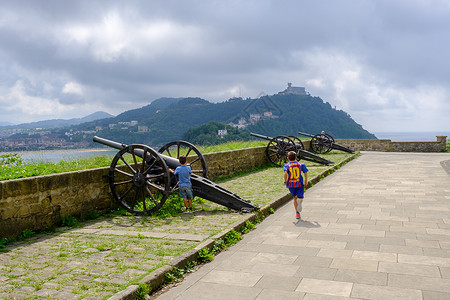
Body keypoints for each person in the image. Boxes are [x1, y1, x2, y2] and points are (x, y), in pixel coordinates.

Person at [283, 151, 308, 220]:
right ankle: (300, 201)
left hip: (291, 184)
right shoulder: (301, 164)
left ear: (288, 158)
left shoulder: (286, 165)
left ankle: (297, 212)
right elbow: (305, 172)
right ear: (296, 157)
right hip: (299, 183)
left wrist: (285, 181)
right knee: (300, 197)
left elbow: (285, 173)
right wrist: (306, 180)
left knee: (294, 198)